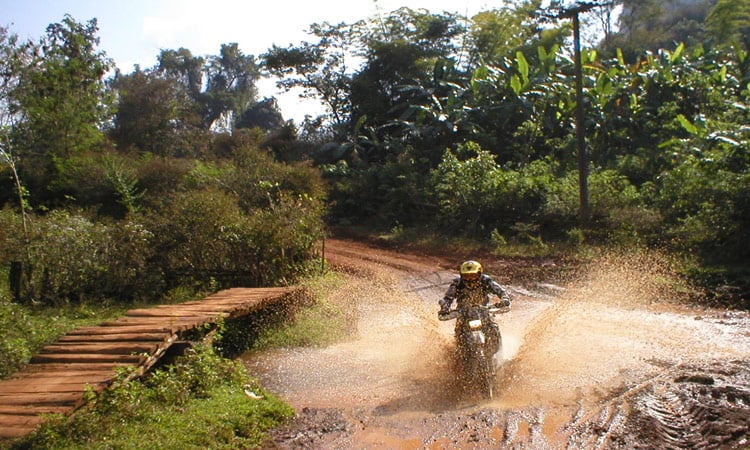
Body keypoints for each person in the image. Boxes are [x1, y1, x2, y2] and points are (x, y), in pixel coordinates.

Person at [438, 260, 511, 355]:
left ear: (479, 274)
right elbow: (448, 298)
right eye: (466, 276)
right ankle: (459, 360)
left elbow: (501, 292)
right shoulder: (457, 284)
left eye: (473, 275)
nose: (470, 279)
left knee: (493, 328)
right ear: (461, 275)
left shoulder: (486, 281)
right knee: (460, 333)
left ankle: (499, 355)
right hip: (463, 314)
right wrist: (445, 307)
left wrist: (504, 299)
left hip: (484, 311)